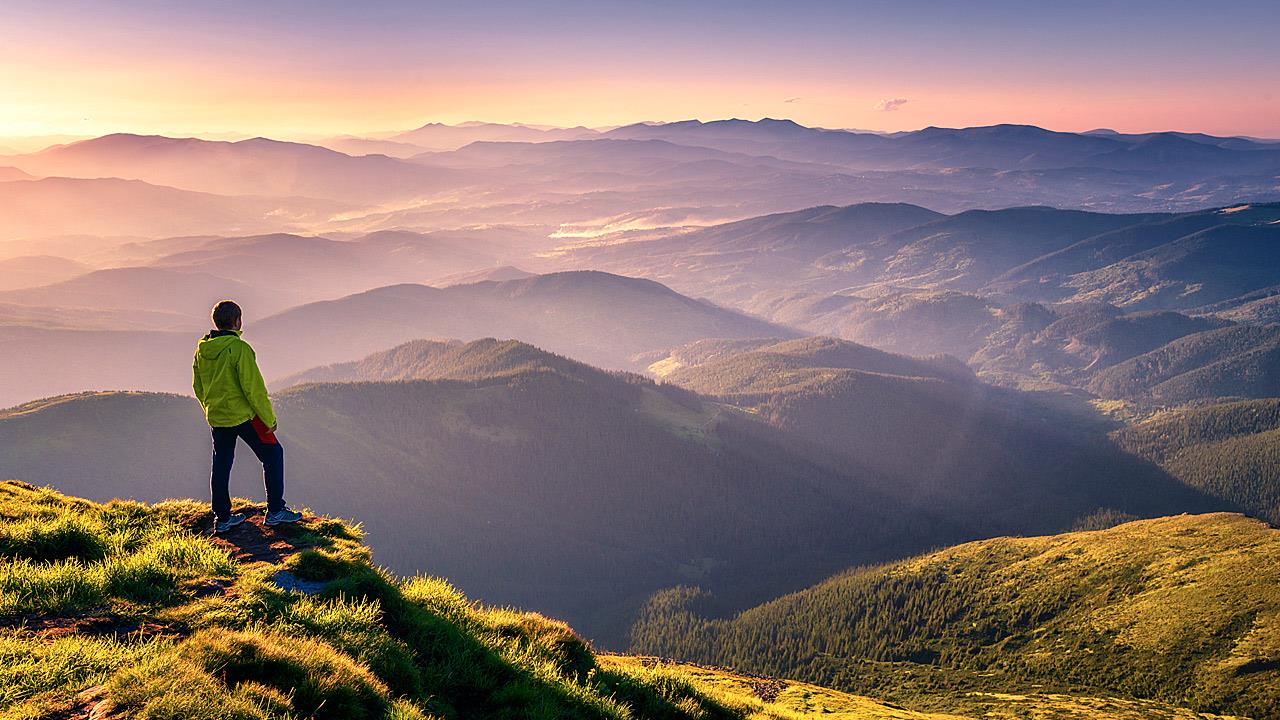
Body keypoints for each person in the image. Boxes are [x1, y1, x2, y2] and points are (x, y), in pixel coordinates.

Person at [192, 300, 303, 533]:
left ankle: (222, 518)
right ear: (238, 321)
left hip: (218, 417)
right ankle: (275, 511)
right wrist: (269, 419)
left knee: (221, 464)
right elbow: (253, 389)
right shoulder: (239, 349)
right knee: (273, 454)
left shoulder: (202, 351)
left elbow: (198, 387)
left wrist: (210, 409)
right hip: (243, 416)